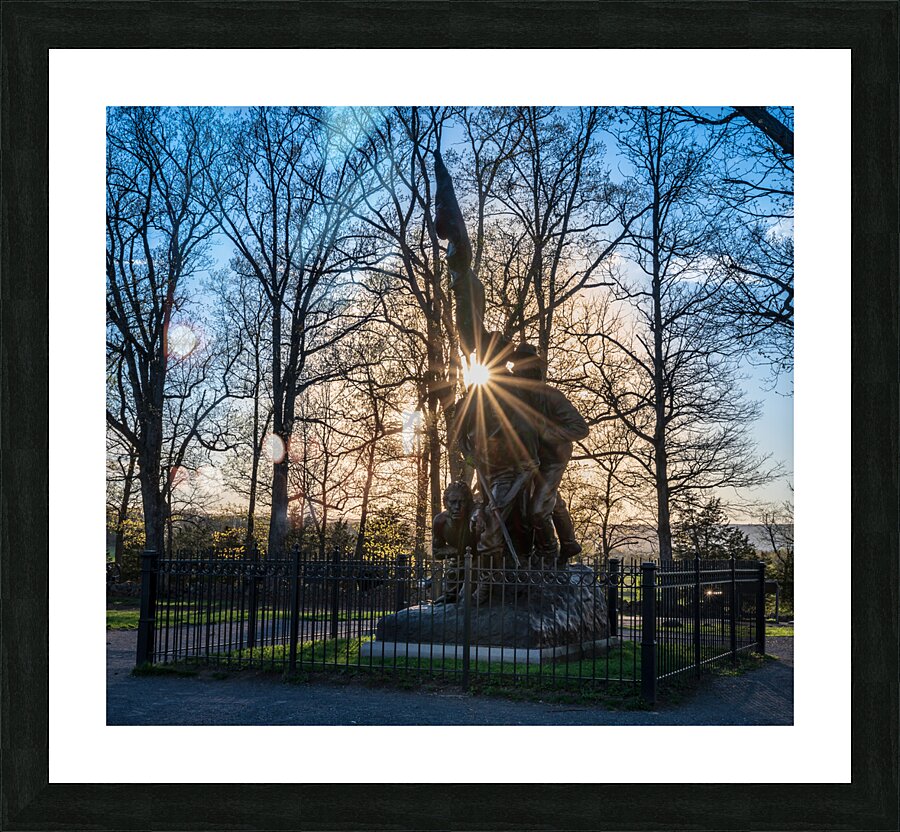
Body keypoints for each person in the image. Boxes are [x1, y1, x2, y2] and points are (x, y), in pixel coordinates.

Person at [510, 343, 589, 566]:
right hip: (530, 458)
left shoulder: (552, 396)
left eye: (523, 366)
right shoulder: (516, 397)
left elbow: (580, 428)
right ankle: (570, 542)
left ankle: (548, 553)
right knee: (550, 501)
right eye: (516, 366)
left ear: (534, 369)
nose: (518, 370)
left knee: (537, 510)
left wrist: (547, 432)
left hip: (553, 457)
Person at [431, 481, 475, 604]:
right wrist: (458, 552)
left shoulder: (474, 519)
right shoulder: (440, 521)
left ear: (468, 503)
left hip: (477, 567)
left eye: (462, 502)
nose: (457, 507)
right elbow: (437, 551)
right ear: (446, 503)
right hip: (455, 568)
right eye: (453, 502)